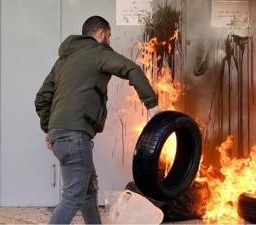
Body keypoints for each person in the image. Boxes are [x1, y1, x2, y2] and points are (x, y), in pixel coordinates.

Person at [34, 15, 161, 224]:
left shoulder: (64, 59)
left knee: (87, 191)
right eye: (109, 36)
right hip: (75, 137)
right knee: (72, 198)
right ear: (102, 34)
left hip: (62, 135)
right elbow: (132, 69)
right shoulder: (98, 52)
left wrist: (51, 128)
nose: (109, 41)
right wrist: (153, 106)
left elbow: (42, 98)